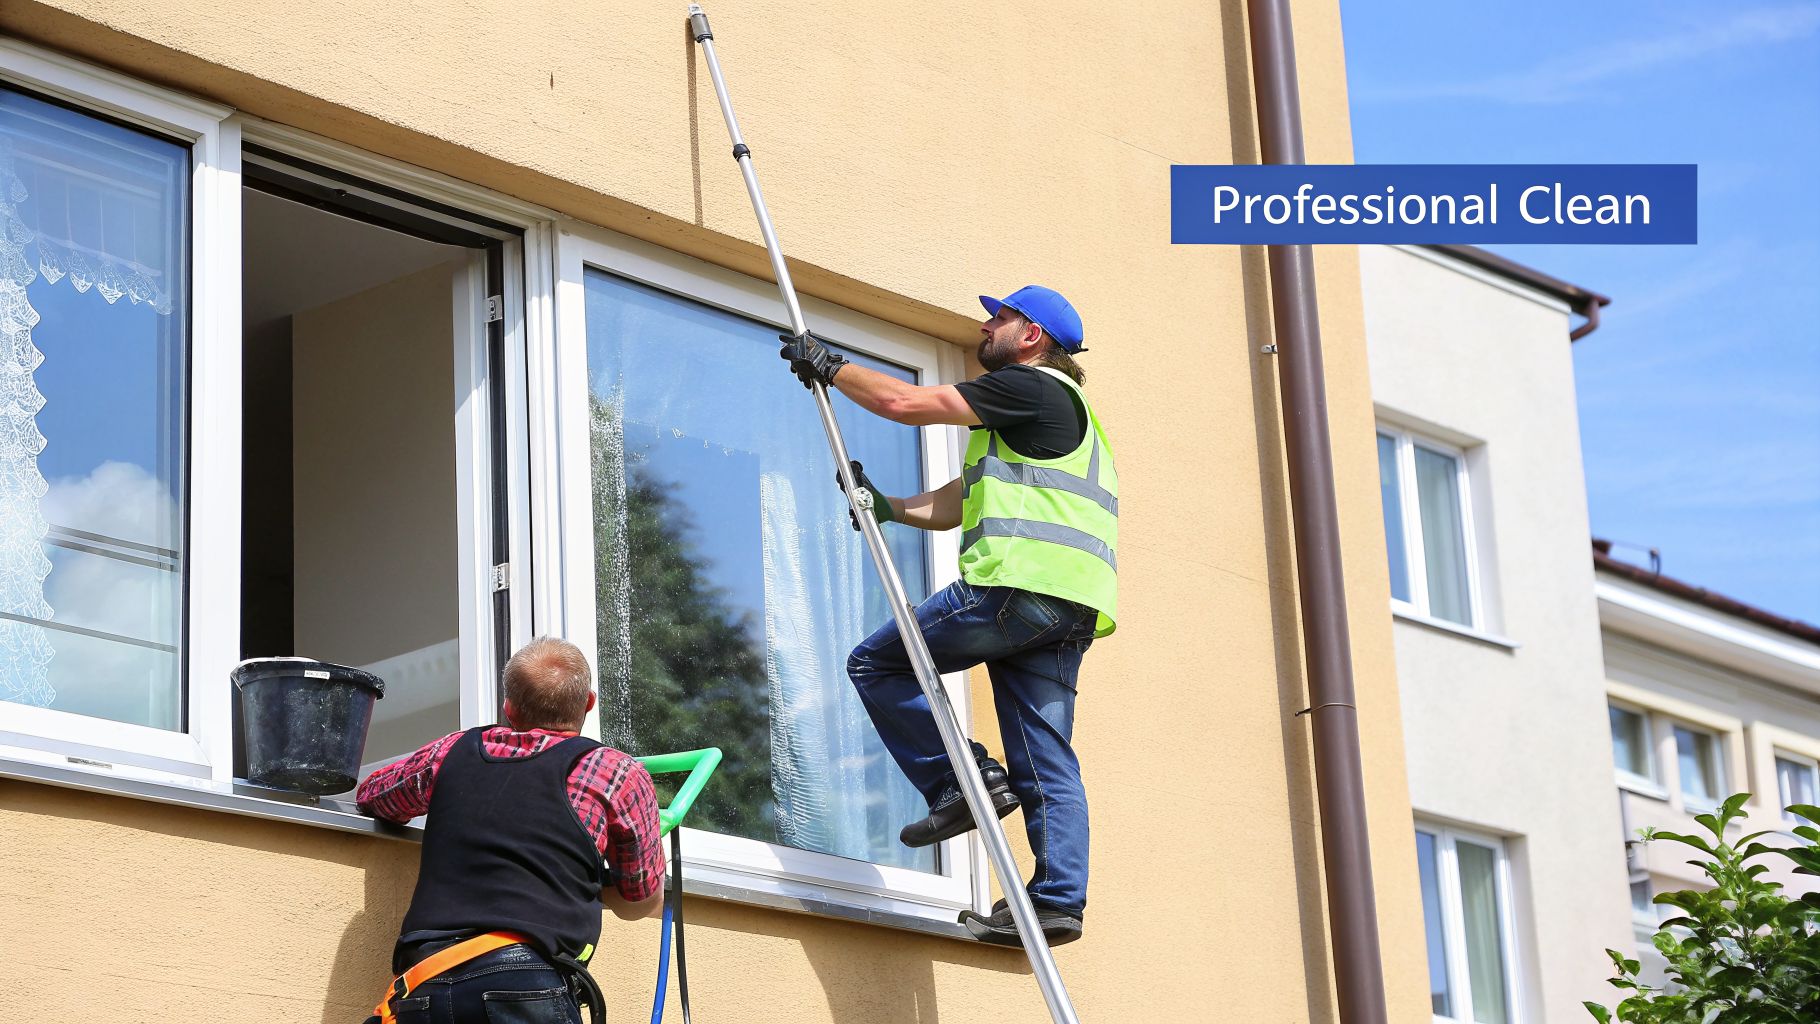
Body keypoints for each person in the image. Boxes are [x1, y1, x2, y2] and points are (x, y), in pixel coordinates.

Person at [778, 285, 1118, 947]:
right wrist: (890, 507)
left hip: (1018, 588)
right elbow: (961, 501)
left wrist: (831, 365)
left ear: (1031, 337)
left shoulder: (1032, 387)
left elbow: (904, 403)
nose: (986, 325)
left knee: (876, 664)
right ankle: (1056, 904)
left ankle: (959, 783)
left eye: (1001, 317)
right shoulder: (1054, 416)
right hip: (1069, 606)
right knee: (1046, 758)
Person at [356, 637, 664, 1023]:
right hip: (525, 986)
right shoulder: (614, 771)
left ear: (509, 707)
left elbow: (373, 796)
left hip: (423, 985)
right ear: (589, 701)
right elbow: (639, 901)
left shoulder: (452, 751)